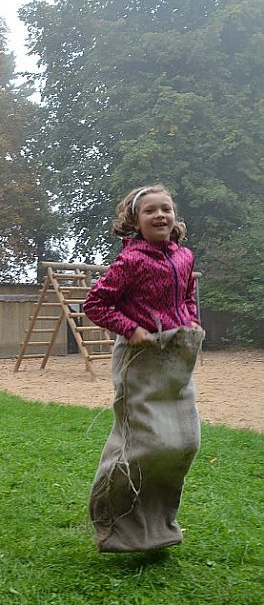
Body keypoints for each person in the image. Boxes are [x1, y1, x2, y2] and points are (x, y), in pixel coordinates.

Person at [82, 185, 204, 554]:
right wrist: (131, 329)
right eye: (150, 210)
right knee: (147, 444)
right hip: (140, 356)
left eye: (166, 208)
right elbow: (96, 303)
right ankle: (111, 516)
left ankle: (158, 526)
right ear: (135, 221)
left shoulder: (184, 257)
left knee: (184, 440)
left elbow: (185, 296)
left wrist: (193, 323)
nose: (160, 215)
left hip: (177, 354)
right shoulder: (130, 261)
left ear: (174, 215)